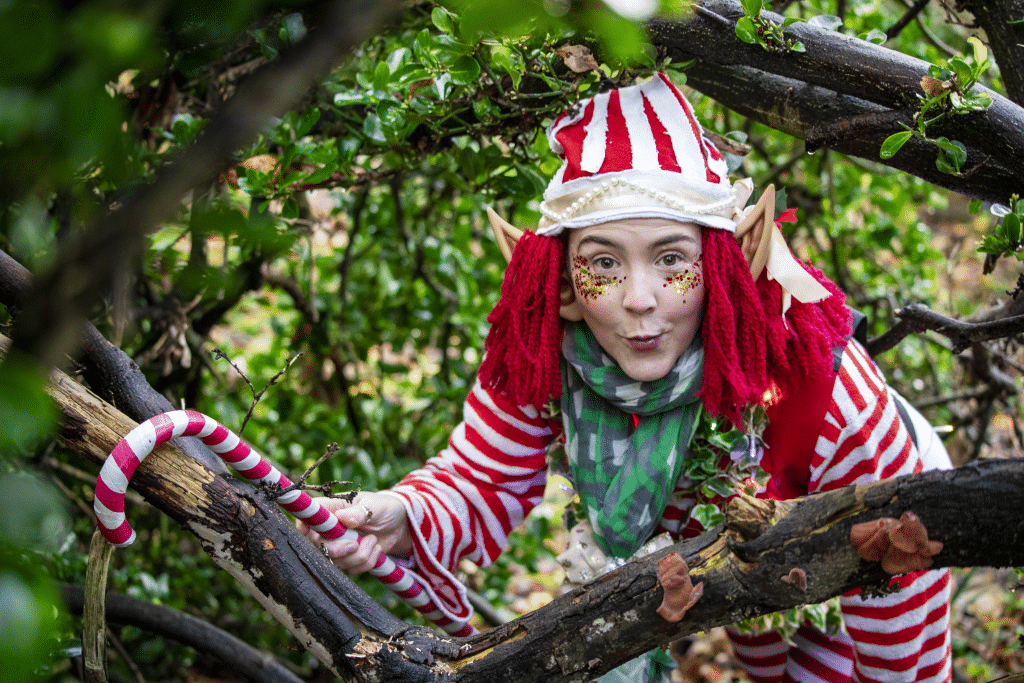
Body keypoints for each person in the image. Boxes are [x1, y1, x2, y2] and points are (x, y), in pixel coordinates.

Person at [299, 73, 952, 683]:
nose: (639, 299)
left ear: (722, 260)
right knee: (762, 650)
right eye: (603, 263)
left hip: (871, 534)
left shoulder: (828, 393)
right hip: (728, 562)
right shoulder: (548, 350)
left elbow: (893, 618)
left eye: (671, 258)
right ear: (562, 280)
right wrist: (403, 515)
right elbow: (482, 475)